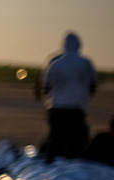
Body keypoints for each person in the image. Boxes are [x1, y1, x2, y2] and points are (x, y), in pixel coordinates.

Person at [36, 33, 98, 162]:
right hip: (76, 108)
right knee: (75, 142)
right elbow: (93, 85)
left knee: (55, 139)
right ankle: (72, 167)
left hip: (56, 107)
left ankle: (50, 165)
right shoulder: (86, 63)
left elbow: (46, 86)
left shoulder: (55, 63)